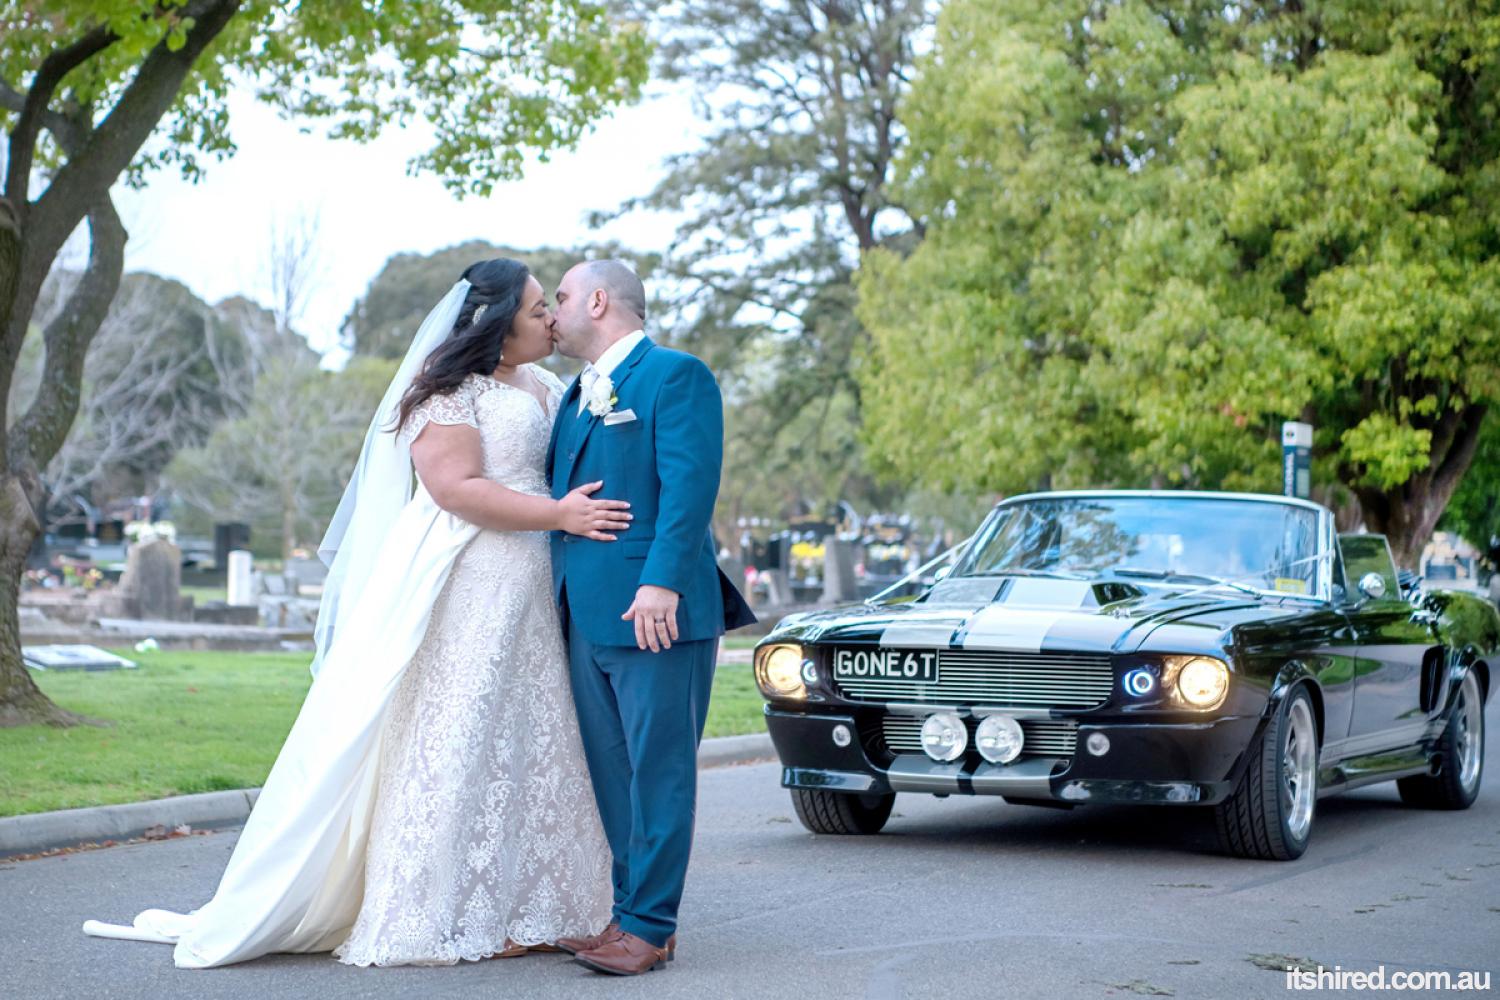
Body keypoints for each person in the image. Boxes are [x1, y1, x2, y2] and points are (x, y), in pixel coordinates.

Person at [83, 258, 626, 968]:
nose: (549, 320)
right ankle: (445, 906)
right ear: (492, 327)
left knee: (535, 732)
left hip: (535, 576)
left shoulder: (549, 386)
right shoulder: (450, 396)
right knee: (462, 728)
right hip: (474, 576)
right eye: (533, 311)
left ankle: (537, 902)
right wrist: (558, 513)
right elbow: (457, 488)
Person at [544, 259, 756, 976]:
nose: (553, 311)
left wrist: (663, 580)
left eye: (564, 297)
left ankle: (651, 923)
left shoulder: (676, 375)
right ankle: (629, 915)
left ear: (599, 300)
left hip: (654, 611)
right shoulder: (577, 393)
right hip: (585, 613)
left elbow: (690, 486)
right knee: (613, 772)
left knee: (658, 772)